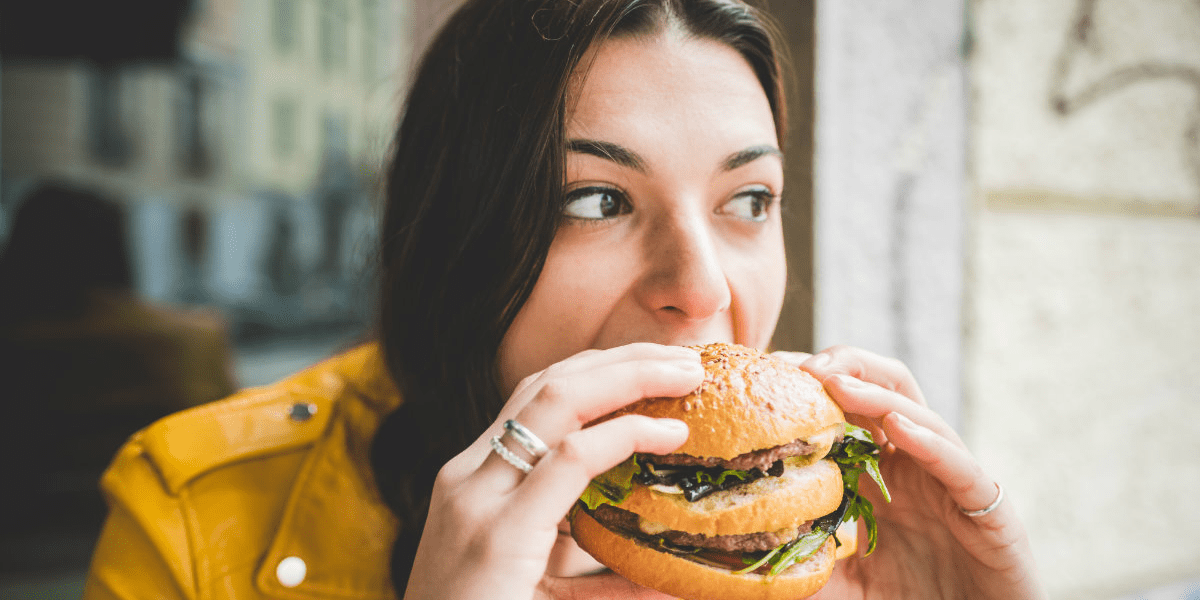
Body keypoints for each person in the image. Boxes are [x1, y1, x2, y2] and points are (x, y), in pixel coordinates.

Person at [82, 1, 1045, 599]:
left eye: (750, 201)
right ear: (457, 232)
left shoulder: (831, 558)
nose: (703, 288)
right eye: (597, 201)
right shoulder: (189, 516)